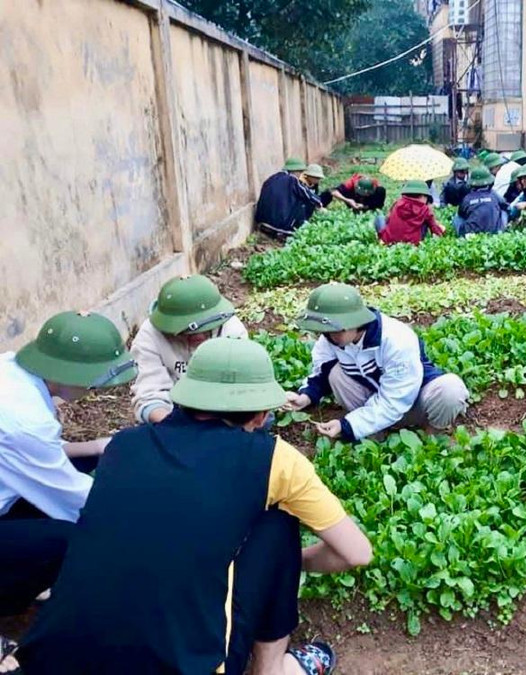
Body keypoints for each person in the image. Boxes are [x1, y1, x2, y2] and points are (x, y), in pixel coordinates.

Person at [16, 337, 372, 675]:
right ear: (260, 416)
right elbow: (356, 553)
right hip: (184, 665)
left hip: (53, 659)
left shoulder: (123, 446)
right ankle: (272, 668)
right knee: (277, 525)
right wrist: (295, 560)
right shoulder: (273, 458)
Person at [0, 311, 136, 673]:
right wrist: (148, 512)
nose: (94, 390)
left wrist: (97, 446)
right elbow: (78, 502)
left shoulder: (13, 371)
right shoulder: (24, 419)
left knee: (92, 462)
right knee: (69, 539)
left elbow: (32, 455)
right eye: (92, 382)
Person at [286, 283, 469, 442]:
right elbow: (321, 375)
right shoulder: (330, 340)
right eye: (323, 330)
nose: (328, 336)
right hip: (370, 400)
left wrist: (348, 425)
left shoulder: (397, 339)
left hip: (414, 402)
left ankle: (432, 438)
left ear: (355, 321)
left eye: (335, 329)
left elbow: (395, 400)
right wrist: (304, 398)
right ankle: (373, 434)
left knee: (451, 390)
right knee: (334, 373)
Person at [130, 274, 247, 424]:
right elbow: (149, 395)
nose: (198, 336)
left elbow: (242, 388)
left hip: (222, 406)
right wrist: (177, 429)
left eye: (205, 330)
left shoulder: (232, 330)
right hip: (174, 411)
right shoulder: (149, 335)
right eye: (187, 332)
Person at [254, 158, 322, 240]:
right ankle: (290, 229)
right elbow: (307, 195)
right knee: (302, 201)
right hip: (279, 225)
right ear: (296, 171)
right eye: (300, 172)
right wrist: (319, 204)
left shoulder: (271, 178)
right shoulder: (292, 179)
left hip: (262, 221)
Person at [374, 180, 445, 246]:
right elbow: (436, 232)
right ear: (422, 196)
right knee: (426, 222)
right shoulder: (425, 209)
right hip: (411, 244)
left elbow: (387, 219)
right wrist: (441, 228)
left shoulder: (397, 203)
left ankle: (382, 240)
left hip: (389, 241)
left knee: (380, 218)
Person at [453, 167, 508, 237]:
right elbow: (506, 205)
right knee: (503, 211)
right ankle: (500, 232)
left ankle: (462, 235)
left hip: (471, 234)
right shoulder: (493, 194)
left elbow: (461, 213)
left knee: (457, 217)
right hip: (494, 233)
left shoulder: (467, 198)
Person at [321, 173, 387, 212]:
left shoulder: (375, 185)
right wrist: (348, 200)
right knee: (327, 192)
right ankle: (319, 207)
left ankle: (369, 208)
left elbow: (379, 199)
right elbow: (332, 191)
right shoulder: (350, 183)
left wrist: (365, 205)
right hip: (353, 199)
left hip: (368, 202)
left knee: (381, 191)